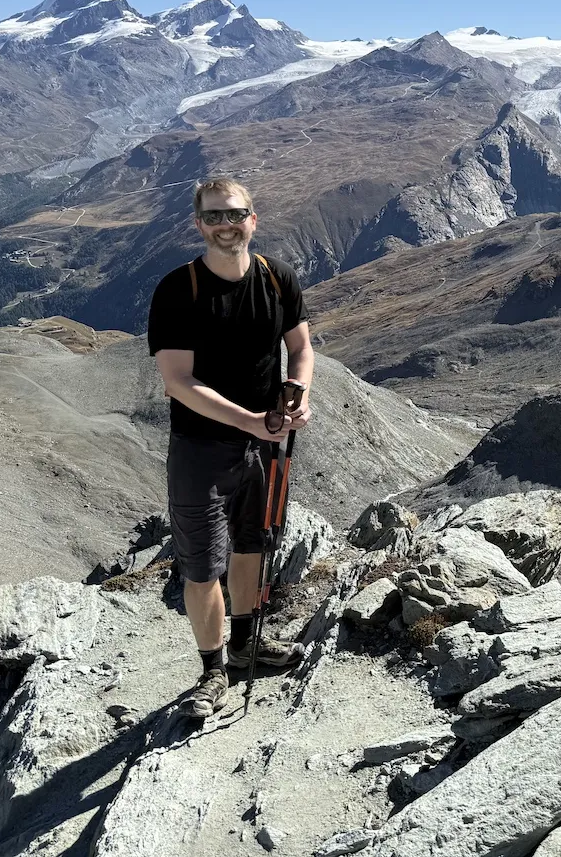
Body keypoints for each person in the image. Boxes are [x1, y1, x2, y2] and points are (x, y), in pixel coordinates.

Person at [147, 177, 314, 718]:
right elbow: (178, 380)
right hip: (202, 450)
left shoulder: (277, 278)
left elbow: (301, 346)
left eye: (234, 214)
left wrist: (300, 394)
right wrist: (249, 420)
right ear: (199, 225)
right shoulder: (179, 290)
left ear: (253, 219)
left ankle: (246, 643)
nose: (225, 225)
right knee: (200, 568)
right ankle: (211, 671)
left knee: (254, 545)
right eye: (214, 217)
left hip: (265, 446)